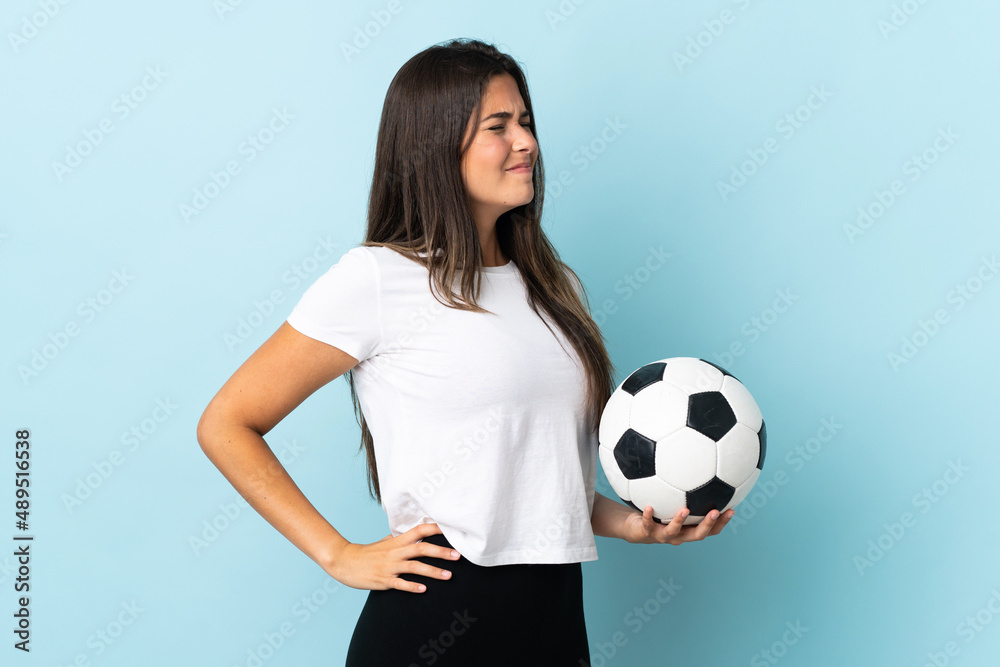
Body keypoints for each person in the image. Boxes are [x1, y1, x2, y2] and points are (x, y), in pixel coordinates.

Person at [197, 37, 734, 667]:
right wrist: (338, 554)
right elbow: (226, 424)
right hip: (435, 625)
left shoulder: (551, 287)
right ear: (434, 146)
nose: (526, 142)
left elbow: (536, 477)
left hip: (557, 625)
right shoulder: (377, 280)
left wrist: (634, 525)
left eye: (526, 123)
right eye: (498, 127)